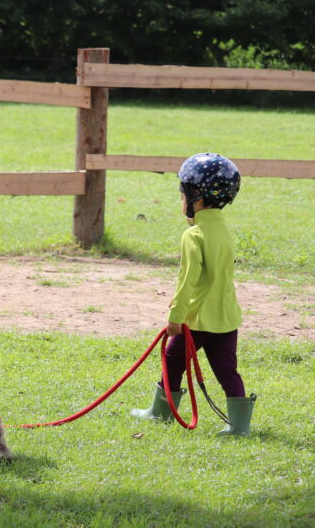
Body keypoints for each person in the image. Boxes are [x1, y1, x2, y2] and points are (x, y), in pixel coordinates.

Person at [131, 153, 257, 435]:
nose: (181, 201)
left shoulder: (194, 234)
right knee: (227, 371)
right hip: (226, 318)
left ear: (196, 197)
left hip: (198, 320)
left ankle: (161, 412)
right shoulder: (223, 230)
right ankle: (240, 426)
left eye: (182, 195)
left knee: (172, 359)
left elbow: (187, 280)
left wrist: (175, 316)